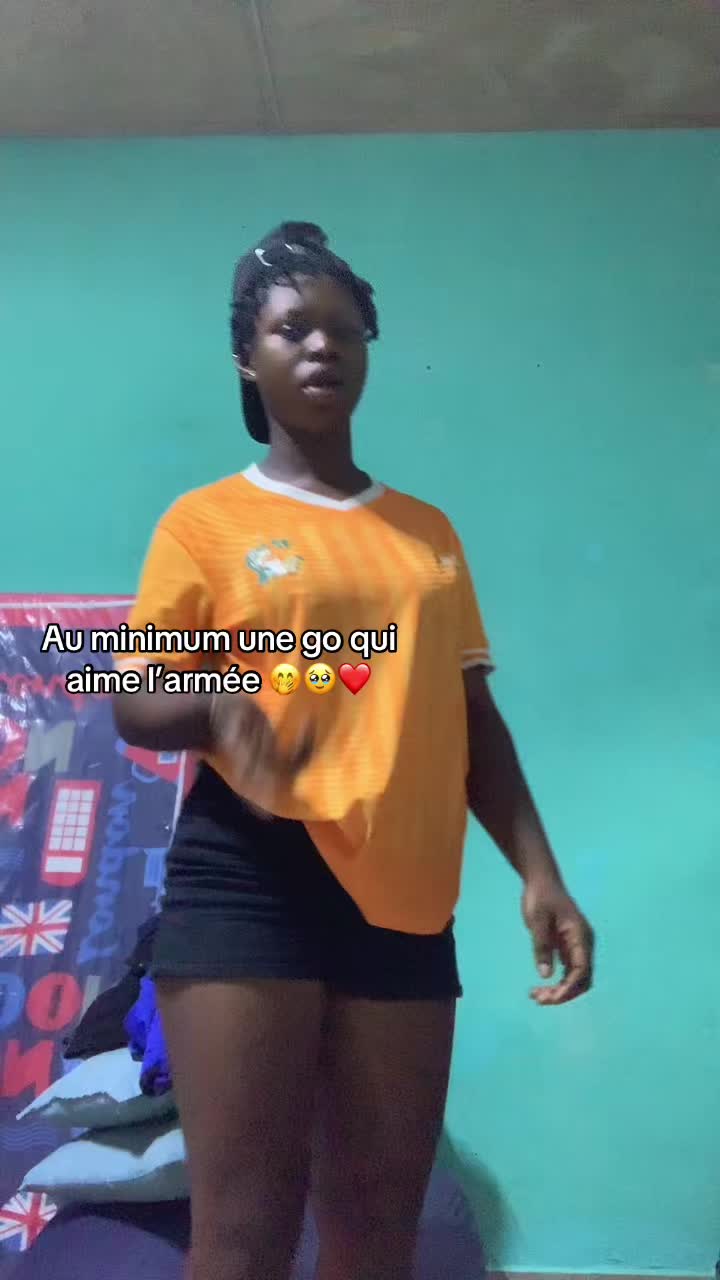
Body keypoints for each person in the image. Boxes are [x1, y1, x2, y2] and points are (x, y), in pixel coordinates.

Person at [112, 221, 594, 1280]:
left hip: (406, 896)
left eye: (343, 328)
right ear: (248, 358)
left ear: (369, 350)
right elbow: (135, 700)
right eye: (292, 328)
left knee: (378, 1229)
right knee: (245, 1232)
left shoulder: (428, 535)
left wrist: (540, 873)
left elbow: (469, 715)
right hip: (249, 877)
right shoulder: (204, 523)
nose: (322, 345)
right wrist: (219, 703)